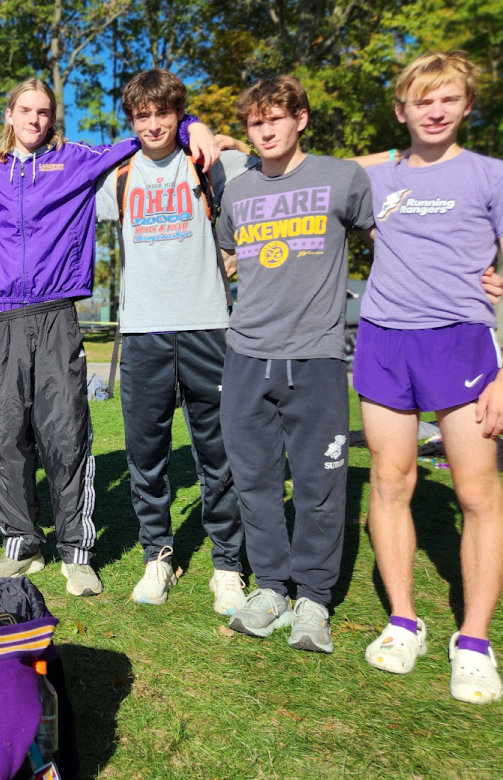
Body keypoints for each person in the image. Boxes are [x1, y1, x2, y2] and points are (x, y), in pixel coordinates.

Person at [0, 77, 220, 596]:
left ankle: (76, 552)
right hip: (3, 321)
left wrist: (194, 124)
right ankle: (22, 545)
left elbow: (145, 136)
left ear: (51, 119)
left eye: (44, 112)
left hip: (57, 316)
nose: (34, 120)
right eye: (25, 111)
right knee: (7, 437)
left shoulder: (76, 160)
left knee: (65, 433)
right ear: (8, 116)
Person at [354, 52, 503, 703]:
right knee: (390, 479)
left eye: (449, 99)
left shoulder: (499, 176)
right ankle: (404, 621)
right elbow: (300, 165)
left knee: (477, 491)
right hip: (381, 342)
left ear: (466, 105)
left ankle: (475, 642)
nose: (436, 111)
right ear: (401, 109)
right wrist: (218, 137)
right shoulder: (377, 178)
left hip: (461, 346)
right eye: (421, 100)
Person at [217, 76, 375, 654]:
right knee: (255, 482)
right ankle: (271, 588)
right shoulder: (238, 192)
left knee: (318, 485)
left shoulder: (341, 178)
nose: (265, 130)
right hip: (246, 357)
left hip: (316, 357)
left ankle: (312, 598)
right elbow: (229, 251)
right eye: (256, 122)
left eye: (276, 118)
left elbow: (396, 237)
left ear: (301, 119)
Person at [94, 69, 250, 614]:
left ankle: (228, 565)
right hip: (142, 333)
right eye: (143, 115)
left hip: (209, 326)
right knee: (147, 455)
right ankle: (157, 557)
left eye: (165, 114)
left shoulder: (211, 164)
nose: (154, 124)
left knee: (219, 452)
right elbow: (49, 192)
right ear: (132, 120)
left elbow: (279, 163)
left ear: (179, 115)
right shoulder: (117, 178)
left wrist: (218, 135)